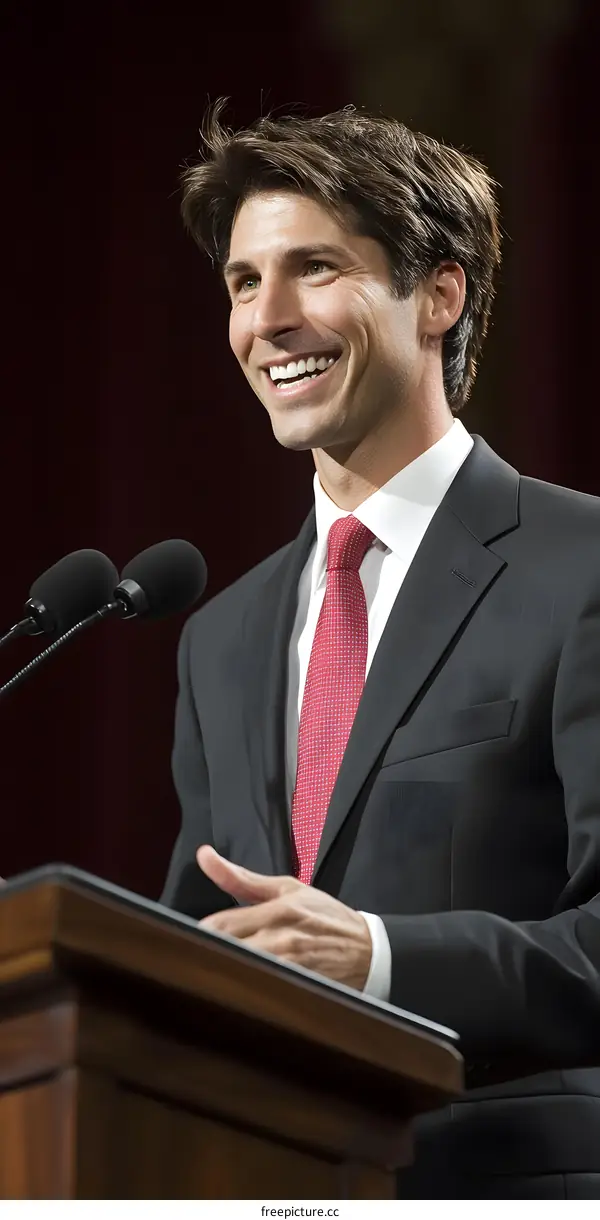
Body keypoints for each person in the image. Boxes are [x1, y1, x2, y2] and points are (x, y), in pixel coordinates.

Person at [160, 100, 600, 1199]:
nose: (268, 319)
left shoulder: (582, 566)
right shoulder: (221, 638)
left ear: (439, 294)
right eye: (243, 283)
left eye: (314, 269)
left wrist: (383, 955)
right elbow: (191, 955)